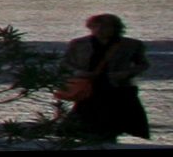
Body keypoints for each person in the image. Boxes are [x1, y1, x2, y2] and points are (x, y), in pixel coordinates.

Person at [60, 13, 150, 144]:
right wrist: (79, 72)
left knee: (112, 125)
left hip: (118, 89)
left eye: (105, 27)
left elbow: (143, 64)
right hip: (89, 88)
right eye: (95, 27)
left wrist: (125, 73)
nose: (99, 30)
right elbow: (65, 63)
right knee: (84, 123)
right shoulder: (79, 44)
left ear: (115, 28)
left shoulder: (131, 45)